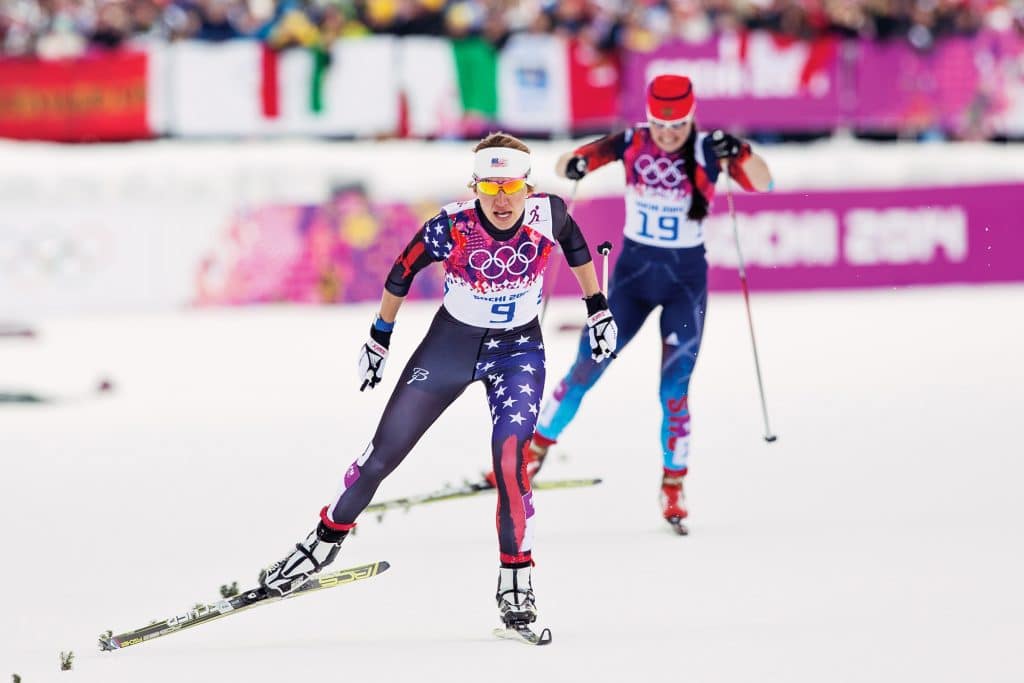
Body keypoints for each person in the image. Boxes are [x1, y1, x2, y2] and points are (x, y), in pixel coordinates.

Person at [258, 132, 618, 632]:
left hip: (517, 352)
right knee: (382, 454)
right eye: (489, 189)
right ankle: (320, 543)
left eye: (511, 188)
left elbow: (577, 248)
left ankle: (516, 579)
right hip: (450, 347)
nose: (501, 200)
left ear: (527, 187)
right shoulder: (451, 225)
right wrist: (379, 337)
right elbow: (401, 272)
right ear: (475, 188)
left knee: (511, 461)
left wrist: (597, 308)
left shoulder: (548, 213)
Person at [527, 74, 773, 532]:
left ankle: (673, 484)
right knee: (585, 368)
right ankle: (533, 452)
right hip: (632, 284)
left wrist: (740, 152)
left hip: (684, 285)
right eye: (660, 124)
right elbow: (565, 165)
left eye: (677, 125)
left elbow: (764, 182)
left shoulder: (709, 149)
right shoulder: (632, 141)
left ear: (691, 118)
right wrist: (575, 164)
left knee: (673, 392)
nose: (667, 134)